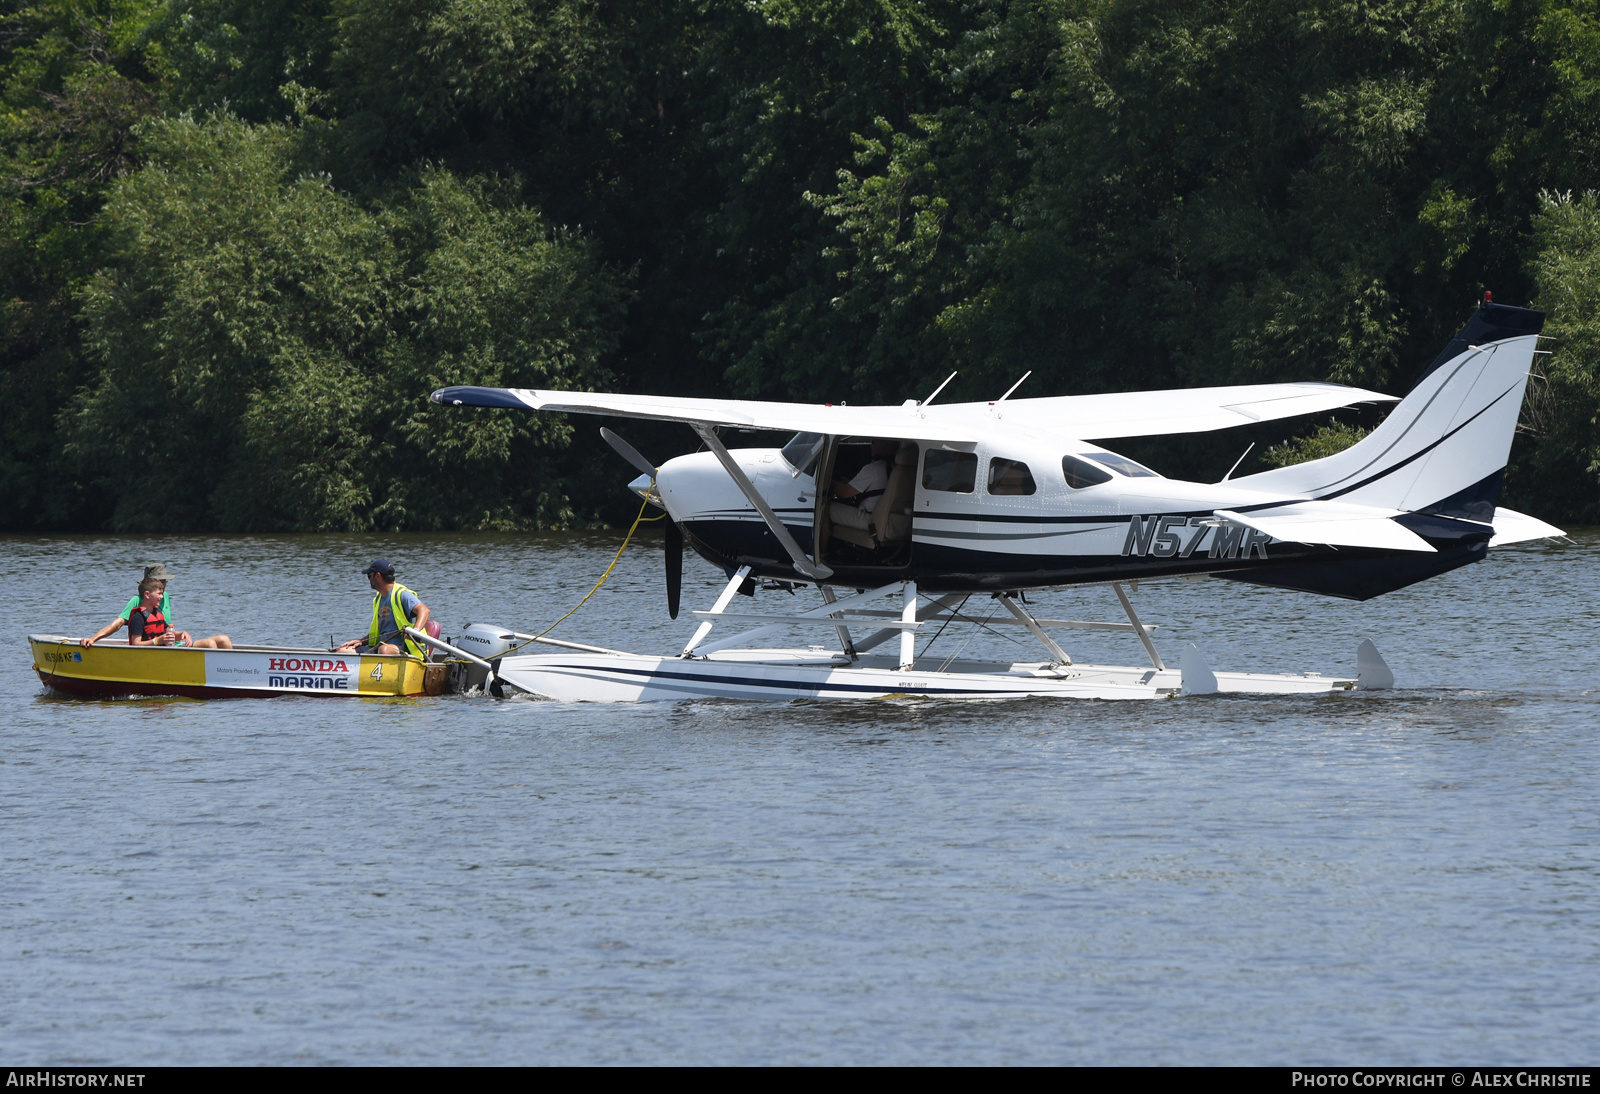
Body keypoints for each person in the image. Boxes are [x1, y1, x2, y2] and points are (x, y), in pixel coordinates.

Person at [81, 565, 232, 649]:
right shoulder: (137, 601)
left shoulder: (163, 597)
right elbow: (117, 624)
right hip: (156, 649)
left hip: (171, 645)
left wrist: (182, 634)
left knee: (224, 640)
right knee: (210, 644)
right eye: (161, 582)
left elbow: (166, 628)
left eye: (165, 582)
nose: (164, 586)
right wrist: (93, 639)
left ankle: (232, 676)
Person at [336, 558, 430, 657]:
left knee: (384, 649)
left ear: (378, 576)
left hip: (405, 647)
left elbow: (424, 610)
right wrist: (361, 641)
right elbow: (381, 632)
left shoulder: (401, 594)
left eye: (369, 576)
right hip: (382, 647)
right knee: (343, 651)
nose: (369, 579)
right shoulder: (378, 599)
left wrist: (415, 631)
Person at [818, 439, 898, 555]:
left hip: (869, 519)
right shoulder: (894, 469)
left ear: (884, 446)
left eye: (874, 442)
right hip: (886, 519)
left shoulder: (873, 469)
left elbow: (844, 493)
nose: (871, 445)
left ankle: (822, 553)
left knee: (825, 507)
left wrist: (829, 482)